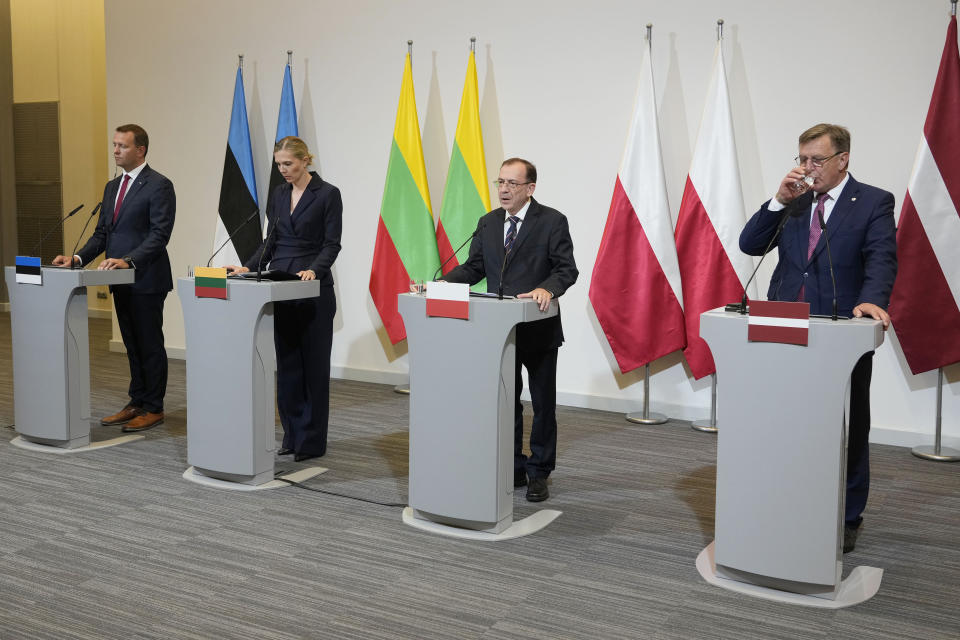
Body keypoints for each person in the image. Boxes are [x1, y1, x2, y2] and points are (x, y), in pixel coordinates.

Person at [739, 123, 897, 552]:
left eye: (817, 160)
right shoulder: (793, 202)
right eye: (802, 159)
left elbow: (882, 257)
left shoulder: (873, 202)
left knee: (848, 423)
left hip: (843, 329)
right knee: (784, 419)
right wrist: (777, 201)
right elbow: (750, 245)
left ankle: (847, 515)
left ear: (843, 159)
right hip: (783, 323)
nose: (807, 168)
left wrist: (871, 300)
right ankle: (785, 499)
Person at [443, 158, 578, 502]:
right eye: (500, 181)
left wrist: (547, 288)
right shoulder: (488, 223)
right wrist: (439, 284)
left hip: (538, 326)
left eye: (512, 184)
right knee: (507, 401)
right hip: (499, 330)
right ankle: (514, 465)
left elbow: (566, 269)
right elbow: (474, 268)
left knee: (543, 404)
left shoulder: (551, 221)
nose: (503, 189)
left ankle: (540, 472)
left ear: (530, 188)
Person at [226, 136, 342, 462]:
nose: (283, 170)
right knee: (288, 367)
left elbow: (332, 244)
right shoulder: (278, 194)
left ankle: (312, 441)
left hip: (313, 290)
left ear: (306, 160)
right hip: (281, 286)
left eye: (288, 164)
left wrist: (314, 270)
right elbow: (272, 240)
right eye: (278, 165)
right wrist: (248, 266)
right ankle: (291, 435)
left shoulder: (328, 194)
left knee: (313, 369)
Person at [54, 124, 175, 433]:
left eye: (122, 145)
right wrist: (78, 259)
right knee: (132, 344)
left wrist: (128, 261)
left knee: (149, 344)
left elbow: (159, 235)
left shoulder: (159, 185)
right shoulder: (112, 187)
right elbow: (102, 234)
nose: (116, 151)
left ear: (140, 150)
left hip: (146, 277)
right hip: (119, 279)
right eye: (114, 145)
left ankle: (154, 407)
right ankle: (137, 400)